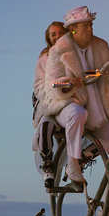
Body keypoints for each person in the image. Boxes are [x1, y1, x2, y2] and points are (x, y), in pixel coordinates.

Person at [44, 6, 109, 183]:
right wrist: (69, 83)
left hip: (96, 114)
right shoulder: (59, 50)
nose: (90, 29)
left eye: (91, 25)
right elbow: (51, 85)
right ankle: (72, 164)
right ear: (73, 29)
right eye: (85, 26)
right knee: (78, 113)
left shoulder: (100, 47)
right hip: (67, 107)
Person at [32, 21, 68, 187]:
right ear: (48, 38)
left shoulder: (73, 53)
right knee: (46, 125)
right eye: (53, 34)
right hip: (50, 104)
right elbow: (40, 85)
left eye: (60, 32)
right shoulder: (44, 59)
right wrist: (57, 89)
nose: (57, 37)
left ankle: (79, 160)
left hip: (70, 102)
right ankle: (48, 164)